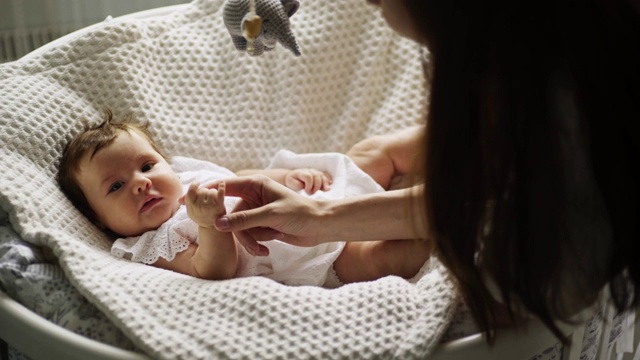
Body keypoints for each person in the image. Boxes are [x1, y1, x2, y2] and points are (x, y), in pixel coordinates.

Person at [205, 0, 640, 343]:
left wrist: (322, 208)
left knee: (381, 224)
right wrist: (319, 217)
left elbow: (478, 205)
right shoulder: (529, 63)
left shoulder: (562, 123)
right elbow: (465, 194)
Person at [57, 110, 432, 286]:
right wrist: (208, 224)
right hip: (317, 255)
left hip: (319, 200)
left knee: (370, 153)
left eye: (147, 165)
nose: (140, 183)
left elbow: (241, 180)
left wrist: (289, 177)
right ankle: (452, 233)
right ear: (98, 220)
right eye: (116, 187)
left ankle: (462, 137)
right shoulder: (151, 244)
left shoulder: (187, 178)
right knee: (384, 255)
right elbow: (213, 269)